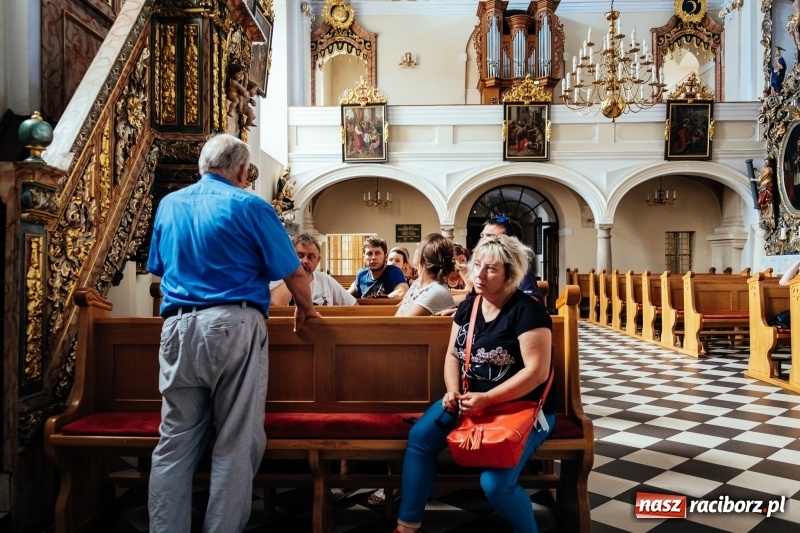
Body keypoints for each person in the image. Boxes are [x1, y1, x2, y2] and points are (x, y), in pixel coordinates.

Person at [146, 134, 321, 532]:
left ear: (202, 167)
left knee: (174, 442)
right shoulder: (251, 205)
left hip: (176, 325)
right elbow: (293, 270)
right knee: (236, 440)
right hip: (231, 323)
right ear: (242, 171)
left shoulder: (170, 204)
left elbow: (157, 266)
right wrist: (307, 310)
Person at [392, 234, 555, 533]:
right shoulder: (470, 306)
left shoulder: (528, 311)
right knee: (419, 440)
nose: (478, 274)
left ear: (511, 273)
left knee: (494, 484)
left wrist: (489, 398)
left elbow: (536, 373)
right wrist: (452, 390)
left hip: (521, 408)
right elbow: (453, 355)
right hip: (471, 402)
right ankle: (408, 524)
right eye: (476, 265)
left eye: (491, 269)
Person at [270, 233, 358, 307]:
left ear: (318, 260)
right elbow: (275, 305)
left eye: (310, 257)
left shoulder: (326, 280)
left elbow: (354, 306)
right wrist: (295, 274)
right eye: (299, 256)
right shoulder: (278, 278)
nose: (304, 261)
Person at [479, 215, 545, 303]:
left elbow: (533, 303)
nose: (482, 241)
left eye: (490, 236)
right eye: (482, 236)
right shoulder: (480, 267)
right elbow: (474, 298)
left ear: (512, 242)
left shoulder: (520, 269)